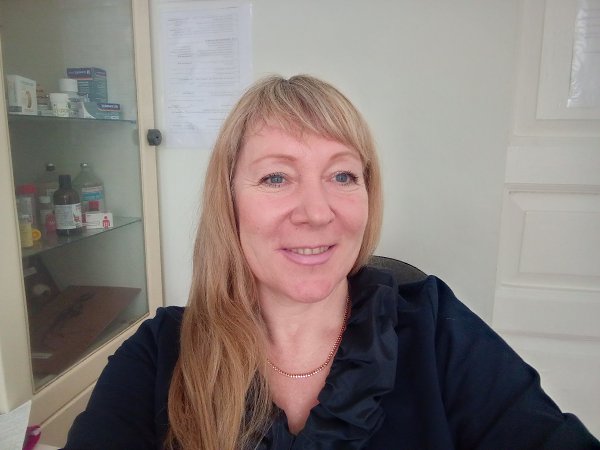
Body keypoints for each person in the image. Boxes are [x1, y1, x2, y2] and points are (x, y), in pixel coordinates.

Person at [62, 75, 600, 450]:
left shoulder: (434, 328)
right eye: (277, 177)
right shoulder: (159, 354)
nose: (317, 212)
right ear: (229, 202)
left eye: (343, 175)